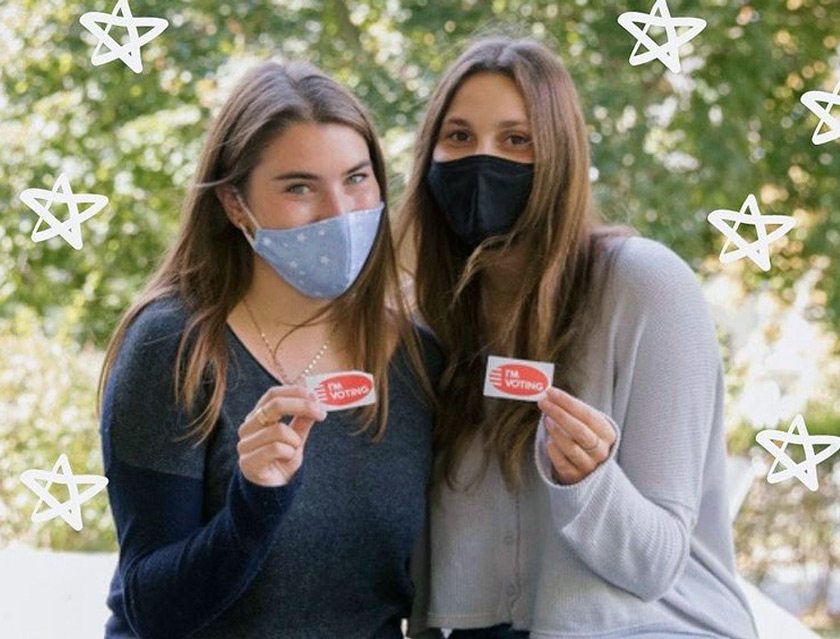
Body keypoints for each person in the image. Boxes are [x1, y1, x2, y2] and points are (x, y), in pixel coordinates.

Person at [400, 37, 759, 639]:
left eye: (517, 140)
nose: (482, 161)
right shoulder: (428, 317)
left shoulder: (646, 286)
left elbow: (654, 563)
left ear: (560, 158)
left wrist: (589, 482)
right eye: (459, 137)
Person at [97, 60, 441, 639]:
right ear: (235, 205)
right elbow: (151, 608)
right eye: (300, 187)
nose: (340, 212)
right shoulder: (175, 346)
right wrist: (255, 503)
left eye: (356, 178)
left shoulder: (421, 360)